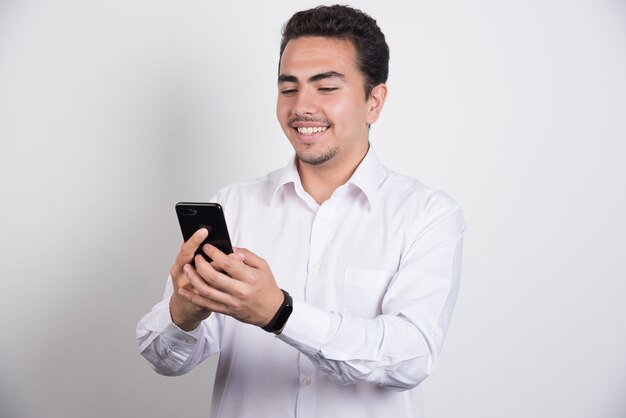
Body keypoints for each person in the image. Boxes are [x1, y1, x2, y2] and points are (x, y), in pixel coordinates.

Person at [137, 4, 465, 418]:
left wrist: (279, 312)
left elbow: (409, 357)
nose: (300, 107)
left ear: (374, 102)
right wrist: (182, 315)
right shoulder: (235, 206)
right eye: (288, 88)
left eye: (326, 88)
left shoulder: (428, 215)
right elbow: (165, 360)